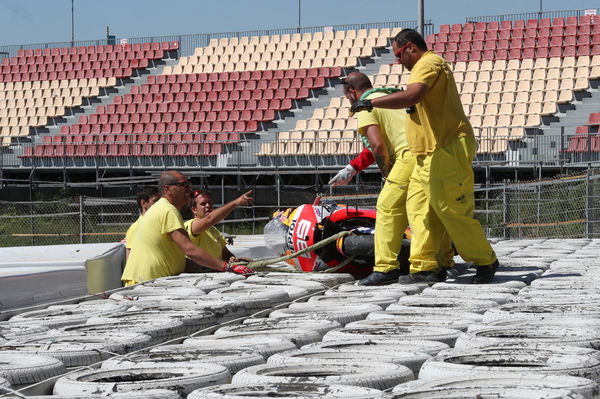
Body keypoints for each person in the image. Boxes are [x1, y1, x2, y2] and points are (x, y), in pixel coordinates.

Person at [350, 29, 499, 284]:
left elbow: (413, 95)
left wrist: (371, 104)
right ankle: (426, 267)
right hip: (424, 153)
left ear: (410, 48)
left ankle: (485, 260)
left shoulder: (427, 63)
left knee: (450, 209)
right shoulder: (424, 66)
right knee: (420, 211)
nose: (399, 61)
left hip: (445, 148)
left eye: (399, 55)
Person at [341, 71, 416, 286]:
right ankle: (435, 263)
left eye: (347, 96)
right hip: (422, 152)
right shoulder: (388, 96)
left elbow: (377, 145)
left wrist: (387, 173)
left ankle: (386, 268)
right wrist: (353, 167)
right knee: (419, 212)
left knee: (387, 208)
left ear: (352, 93)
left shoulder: (365, 104)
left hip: (405, 156)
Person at [121, 171, 253, 286]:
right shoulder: (168, 210)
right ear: (167, 189)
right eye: (183, 185)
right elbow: (190, 250)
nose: (188, 190)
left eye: (188, 185)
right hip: (145, 281)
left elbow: (180, 257)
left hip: (148, 279)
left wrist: (220, 267)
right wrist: (226, 267)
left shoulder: (164, 209)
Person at [185, 189, 253, 270]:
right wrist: (235, 203)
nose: (208, 205)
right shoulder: (191, 225)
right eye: (203, 204)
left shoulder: (213, 230)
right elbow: (210, 219)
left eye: (210, 203)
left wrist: (232, 259)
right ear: (194, 210)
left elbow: (225, 253)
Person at [124, 185, 160, 260]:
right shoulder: (136, 228)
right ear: (143, 203)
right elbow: (130, 259)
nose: (160, 204)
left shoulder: (158, 222)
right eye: (155, 201)